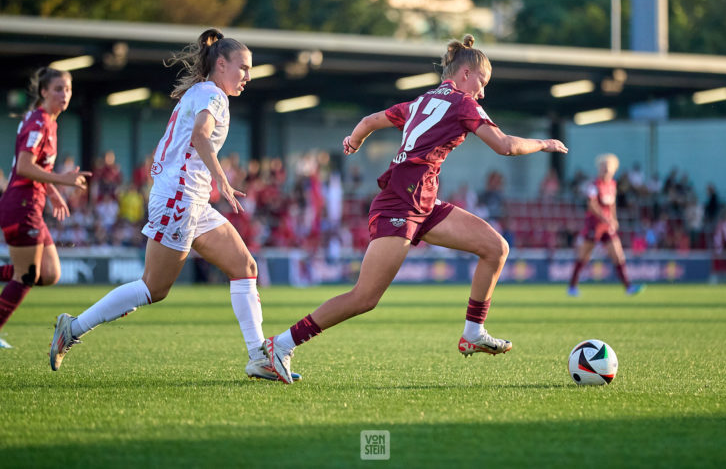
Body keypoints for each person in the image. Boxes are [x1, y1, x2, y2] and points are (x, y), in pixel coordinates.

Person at [262, 34, 568, 383]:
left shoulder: (421, 101)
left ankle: (472, 332)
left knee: (495, 247)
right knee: (364, 297)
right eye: (482, 83)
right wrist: (544, 143)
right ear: (466, 73)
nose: (482, 92)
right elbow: (505, 146)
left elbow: (371, 120)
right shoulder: (463, 103)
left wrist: (353, 141)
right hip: (402, 202)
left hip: (422, 201)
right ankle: (280, 345)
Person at [49, 28, 299, 381]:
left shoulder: (201, 91)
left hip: (189, 197)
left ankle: (260, 356)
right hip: (181, 198)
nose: (247, 76)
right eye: (242, 67)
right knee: (154, 287)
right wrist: (223, 180)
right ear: (222, 64)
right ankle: (73, 328)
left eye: (250, 69)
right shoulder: (214, 96)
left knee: (245, 267)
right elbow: (199, 136)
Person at [0, 67, 91, 349]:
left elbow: (35, 167)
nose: (64, 95)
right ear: (43, 92)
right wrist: (61, 180)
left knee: (49, 274)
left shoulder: (48, 122)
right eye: (58, 89)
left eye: (68, 89)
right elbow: (25, 166)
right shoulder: (39, 121)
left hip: (33, 204)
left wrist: (52, 192)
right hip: (21, 205)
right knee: (26, 275)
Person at [567, 154, 643, 296]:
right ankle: (572, 286)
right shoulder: (594, 185)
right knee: (584, 256)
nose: (606, 170)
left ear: (614, 169)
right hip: (593, 226)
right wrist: (606, 218)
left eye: (608, 167)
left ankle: (628, 287)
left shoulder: (612, 185)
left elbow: (612, 204)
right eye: (603, 167)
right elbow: (591, 205)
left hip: (607, 227)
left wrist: (613, 219)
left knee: (618, 254)